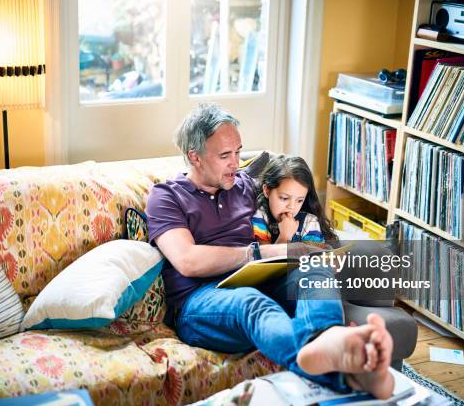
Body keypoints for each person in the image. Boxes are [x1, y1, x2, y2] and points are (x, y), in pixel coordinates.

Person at [146, 103, 394, 398]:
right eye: (225, 155)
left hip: (261, 280)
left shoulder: (245, 185)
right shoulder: (166, 197)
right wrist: (259, 254)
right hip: (199, 302)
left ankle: (329, 342)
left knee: (313, 267)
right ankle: (345, 372)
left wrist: (316, 247)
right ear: (194, 157)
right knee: (249, 302)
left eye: (238, 151)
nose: (235, 163)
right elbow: (188, 261)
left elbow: (290, 198)